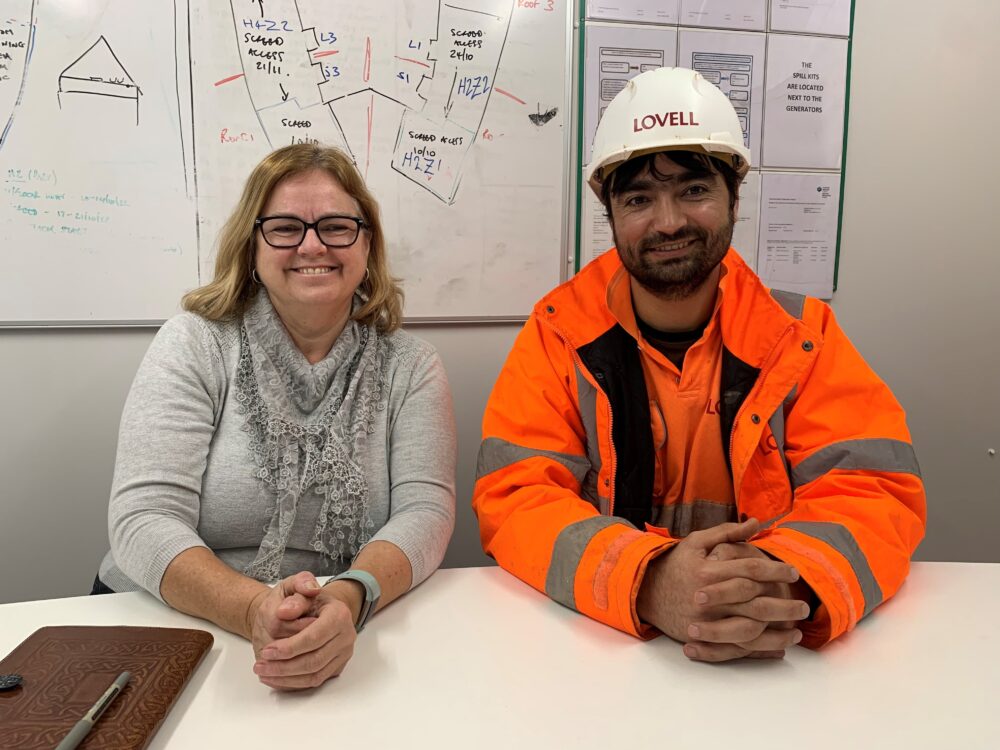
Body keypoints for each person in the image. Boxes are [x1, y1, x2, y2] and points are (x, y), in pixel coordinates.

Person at [473, 67, 926, 662]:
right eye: (639, 198)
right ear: (609, 212)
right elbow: (517, 496)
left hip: (775, 659)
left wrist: (781, 581)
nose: (668, 222)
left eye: (694, 190)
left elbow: (877, 490)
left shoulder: (802, 337)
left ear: (734, 197)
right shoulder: (559, 335)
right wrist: (651, 580)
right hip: (602, 662)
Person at [97, 143, 457, 689]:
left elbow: (426, 511)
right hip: (169, 620)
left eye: (337, 226)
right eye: (285, 227)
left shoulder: (411, 365)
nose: (312, 245)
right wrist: (252, 609)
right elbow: (143, 518)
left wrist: (348, 597)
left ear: (366, 243)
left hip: (344, 628)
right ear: (252, 245)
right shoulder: (194, 343)